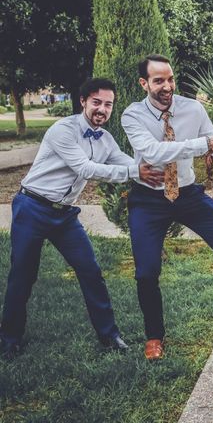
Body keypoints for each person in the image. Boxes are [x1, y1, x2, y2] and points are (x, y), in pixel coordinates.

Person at [0, 77, 164, 358]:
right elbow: (86, 169)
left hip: (65, 216)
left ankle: (110, 336)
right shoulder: (63, 130)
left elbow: (128, 163)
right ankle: (9, 338)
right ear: (83, 102)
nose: (102, 109)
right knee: (23, 276)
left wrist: (157, 173)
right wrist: (135, 172)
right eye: (97, 102)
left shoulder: (106, 139)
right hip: (33, 207)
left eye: (108, 104)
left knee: (91, 271)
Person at [121, 54, 213, 361]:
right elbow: (153, 152)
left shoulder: (193, 108)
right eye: (159, 81)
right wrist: (204, 146)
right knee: (146, 272)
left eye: (170, 79)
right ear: (144, 83)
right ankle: (154, 337)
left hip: (188, 195)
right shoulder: (132, 116)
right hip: (148, 200)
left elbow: (212, 139)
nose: (167, 86)